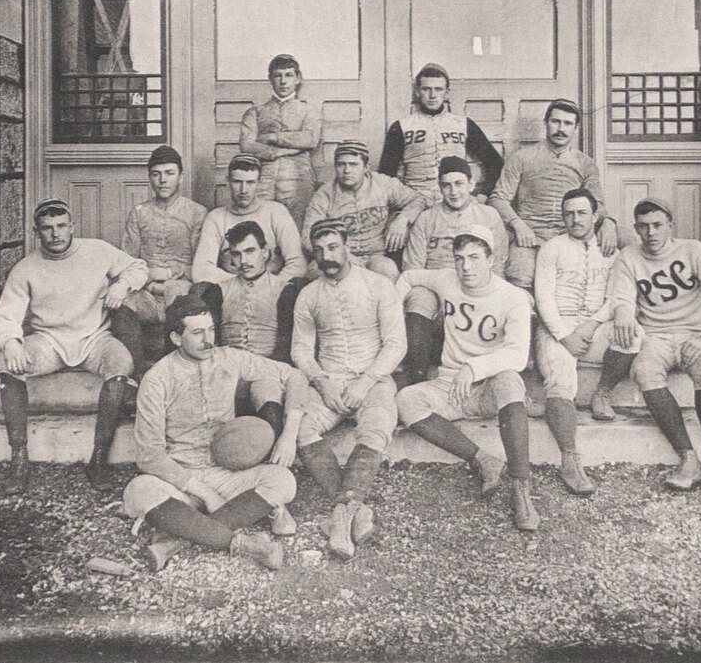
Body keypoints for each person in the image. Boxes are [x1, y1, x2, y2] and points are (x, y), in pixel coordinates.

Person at [123, 295, 308, 572]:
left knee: (283, 480)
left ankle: (175, 540)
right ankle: (245, 544)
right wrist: (206, 494)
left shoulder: (229, 358)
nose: (208, 340)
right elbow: (149, 456)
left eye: (211, 330)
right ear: (176, 338)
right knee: (138, 491)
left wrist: (289, 435)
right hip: (180, 477)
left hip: (226, 472)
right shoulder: (157, 379)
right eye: (197, 333)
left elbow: (294, 376)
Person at [0, 199, 149, 494]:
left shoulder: (98, 250)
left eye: (61, 226)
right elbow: (5, 316)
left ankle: (99, 458)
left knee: (121, 363)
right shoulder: (26, 268)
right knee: (5, 362)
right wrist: (10, 342)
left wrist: (122, 284)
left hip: (95, 339)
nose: (56, 234)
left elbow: (139, 267)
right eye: (47, 228)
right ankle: (19, 457)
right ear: (37, 232)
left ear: (72, 226)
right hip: (49, 341)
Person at [395, 225, 539, 531]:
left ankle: (520, 488)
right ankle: (483, 460)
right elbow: (408, 277)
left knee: (510, 379)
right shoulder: (447, 279)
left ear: (491, 259)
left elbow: (517, 355)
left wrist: (474, 367)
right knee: (406, 400)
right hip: (451, 387)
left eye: (474, 258)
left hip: (488, 386)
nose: (466, 267)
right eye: (459, 258)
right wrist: (395, 309)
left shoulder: (512, 297)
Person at [289, 219, 407, 560]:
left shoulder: (378, 285)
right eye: (319, 250)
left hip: (373, 379)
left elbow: (396, 344)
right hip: (330, 382)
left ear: (347, 246)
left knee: (376, 427)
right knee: (300, 427)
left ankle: (339, 518)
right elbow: (300, 349)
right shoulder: (309, 294)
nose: (327, 256)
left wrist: (366, 381)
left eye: (333, 247)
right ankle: (356, 509)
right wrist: (321, 382)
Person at [611, 197, 701, 498]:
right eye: (643, 226)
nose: (651, 232)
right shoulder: (629, 256)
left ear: (670, 226)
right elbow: (622, 297)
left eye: (657, 225)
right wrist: (624, 312)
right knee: (644, 371)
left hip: (695, 332)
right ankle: (688, 459)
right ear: (636, 229)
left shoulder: (693, 250)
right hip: (656, 335)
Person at [533, 188, 641, 495]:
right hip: (557, 328)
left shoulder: (611, 250)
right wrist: (564, 336)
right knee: (561, 381)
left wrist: (591, 326)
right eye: (568, 213)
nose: (575, 219)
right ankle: (569, 459)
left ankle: (602, 392)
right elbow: (543, 298)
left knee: (633, 334)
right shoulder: (552, 248)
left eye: (582, 213)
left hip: (595, 325)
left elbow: (615, 297)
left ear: (595, 216)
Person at [489, 98, 630, 290]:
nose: (561, 129)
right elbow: (498, 198)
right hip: (532, 234)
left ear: (576, 128)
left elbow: (597, 203)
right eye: (555, 121)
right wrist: (518, 224)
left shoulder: (585, 163)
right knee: (521, 273)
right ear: (546, 122)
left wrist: (609, 223)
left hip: (572, 230)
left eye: (568, 123)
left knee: (626, 238)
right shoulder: (522, 157)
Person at [401, 156, 509, 383]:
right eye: (446, 185)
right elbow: (413, 266)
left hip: (475, 284)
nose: (453, 191)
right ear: (439, 187)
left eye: (459, 184)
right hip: (435, 285)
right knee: (418, 297)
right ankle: (418, 376)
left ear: (471, 184)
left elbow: (497, 264)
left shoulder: (488, 215)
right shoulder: (427, 218)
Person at [112, 145, 207, 378]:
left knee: (181, 299)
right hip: (145, 289)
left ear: (180, 177)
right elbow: (128, 261)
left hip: (181, 289)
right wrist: (150, 281)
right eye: (156, 174)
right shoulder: (139, 213)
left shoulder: (197, 213)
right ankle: (136, 373)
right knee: (121, 303)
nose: (163, 180)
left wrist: (167, 275)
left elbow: (201, 265)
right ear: (150, 178)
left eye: (169, 173)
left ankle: (172, 374)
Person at [192, 154, 306, 334]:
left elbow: (298, 264)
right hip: (230, 291)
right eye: (237, 182)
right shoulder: (216, 217)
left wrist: (268, 286)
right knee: (200, 290)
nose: (244, 190)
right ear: (227, 181)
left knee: (298, 286)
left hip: (272, 291)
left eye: (251, 182)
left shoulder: (276, 212)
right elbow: (201, 270)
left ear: (259, 183)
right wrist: (238, 285)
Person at [217, 220, 308, 433]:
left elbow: (286, 346)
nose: (243, 261)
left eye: (250, 251)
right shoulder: (218, 291)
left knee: (269, 405)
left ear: (265, 252)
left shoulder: (284, 291)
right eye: (236, 254)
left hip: (267, 371)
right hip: (226, 370)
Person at [378, 63, 504, 204]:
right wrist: (403, 200)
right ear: (417, 92)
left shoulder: (463, 124)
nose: (432, 95)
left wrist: (482, 195)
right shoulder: (402, 126)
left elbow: (495, 163)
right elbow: (386, 174)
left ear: (446, 93)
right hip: (415, 200)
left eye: (438, 89)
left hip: (456, 200)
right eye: (426, 89)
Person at [302, 140, 427, 281]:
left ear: (366, 167)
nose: (347, 171)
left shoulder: (383, 183)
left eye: (353, 164)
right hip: (338, 255)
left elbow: (418, 199)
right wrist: (341, 252)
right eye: (341, 164)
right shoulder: (323, 195)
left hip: (376, 256)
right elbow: (307, 238)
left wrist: (402, 219)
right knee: (316, 273)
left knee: (388, 271)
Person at [239, 54, 322, 229]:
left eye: (289, 75)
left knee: (298, 227)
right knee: (259, 226)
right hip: (263, 176)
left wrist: (272, 138)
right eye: (278, 75)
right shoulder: (255, 112)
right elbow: (247, 145)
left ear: (298, 78)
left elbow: (310, 139)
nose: (283, 81)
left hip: (298, 176)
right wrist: (281, 151)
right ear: (270, 78)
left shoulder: (309, 111)